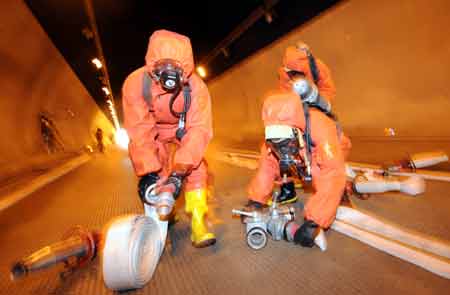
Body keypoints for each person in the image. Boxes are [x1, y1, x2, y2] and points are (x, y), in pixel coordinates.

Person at [122, 30, 215, 248]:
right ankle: (164, 214)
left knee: (197, 167)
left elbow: (199, 130)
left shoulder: (196, 87)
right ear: (151, 66)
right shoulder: (135, 84)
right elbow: (139, 130)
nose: (169, 78)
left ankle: (198, 223)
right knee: (158, 170)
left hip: (183, 129)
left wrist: (180, 171)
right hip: (153, 130)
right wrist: (148, 172)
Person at [246, 90, 347, 248]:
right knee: (272, 157)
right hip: (303, 151)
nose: (282, 149)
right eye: (276, 143)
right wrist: (256, 200)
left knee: (322, 175)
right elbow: (266, 166)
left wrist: (314, 222)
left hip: (331, 149)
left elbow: (332, 173)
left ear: (296, 132)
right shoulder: (273, 142)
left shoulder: (322, 128)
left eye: (285, 143)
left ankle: (342, 194)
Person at [275, 41, 351, 205]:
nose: (291, 74)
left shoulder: (317, 68)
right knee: (281, 145)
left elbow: (328, 89)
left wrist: (317, 102)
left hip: (317, 108)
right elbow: (282, 95)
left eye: (295, 71)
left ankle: (338, 188)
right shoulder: (284, 73)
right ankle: (287, 189)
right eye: (289, 70)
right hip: (295, 113)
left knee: (336, 144)